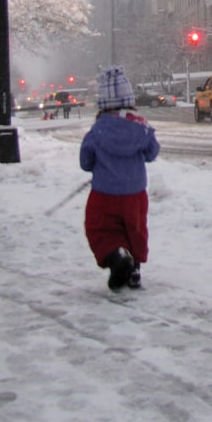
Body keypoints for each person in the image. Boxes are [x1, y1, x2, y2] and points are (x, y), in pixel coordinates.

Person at [80, 65, 159, 290]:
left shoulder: (98, 131)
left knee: (100, 228)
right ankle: (134, 268)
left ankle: (116, 256)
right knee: (134, 229)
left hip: (104, 193)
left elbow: (85, 162)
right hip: (135, 193)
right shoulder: (140, 127)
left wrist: (97, 164)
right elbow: (152, 152)